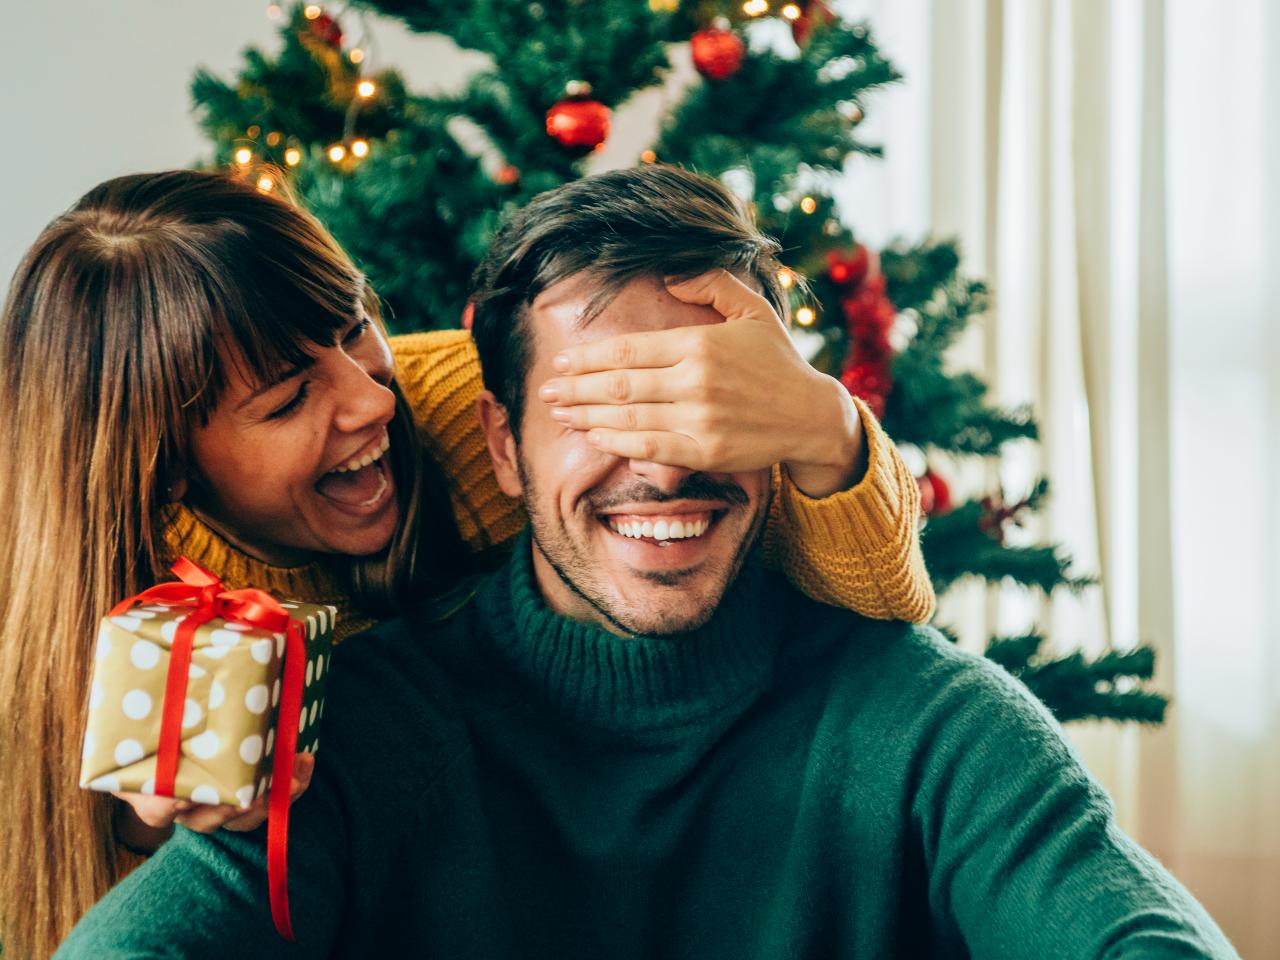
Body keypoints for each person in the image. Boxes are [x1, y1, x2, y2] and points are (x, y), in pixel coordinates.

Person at [55, 165, 1237, 958]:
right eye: (598, 410)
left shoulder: (925, 724)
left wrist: (827, 429)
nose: (660, 466)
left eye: (699, 406)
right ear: (502, 445)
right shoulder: (346, 733)